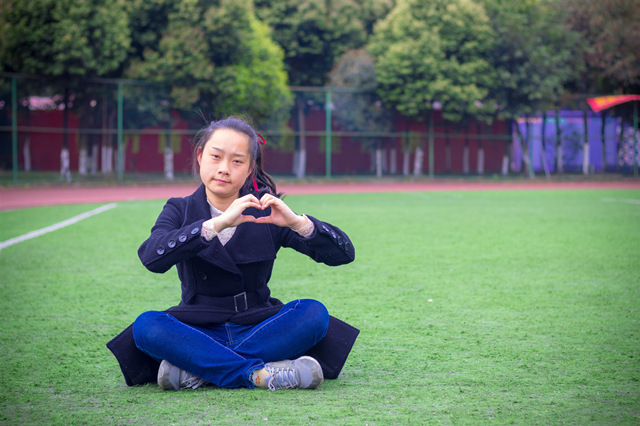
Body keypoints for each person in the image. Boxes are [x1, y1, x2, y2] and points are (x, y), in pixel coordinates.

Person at [106, 116, 357, 391]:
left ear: (250, 168)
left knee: (313, 313)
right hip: (197, 328)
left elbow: (343, 254)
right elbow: (151, 258)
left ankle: (201, 370)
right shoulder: (179, 209)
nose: (224, 169)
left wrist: (299, 223)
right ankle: (257, 374)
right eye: (216, 156)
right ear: (200, 156)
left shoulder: (266, 211)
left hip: (259, 325)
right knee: (147, 326)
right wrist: (215, 225)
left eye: (237, 161)